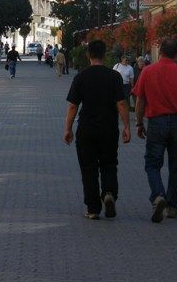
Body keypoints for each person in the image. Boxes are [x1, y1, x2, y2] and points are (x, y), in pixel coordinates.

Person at [64, 40, 131, 220]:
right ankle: (109, 192)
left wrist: (68, 129)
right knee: (109, 163)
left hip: (87, 128)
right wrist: (127, 126)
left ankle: (93, 208)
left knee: (88, 168)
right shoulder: (114, 76)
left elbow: (73, 106)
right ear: (104, 54)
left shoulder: (81, 76)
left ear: (88, 55)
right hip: (109, 128)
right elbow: (122, 103)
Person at [133, 38, 177, 222]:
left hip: (156, 123)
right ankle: (171, 205)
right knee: (175, 166)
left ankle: (158, 194)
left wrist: (139, 123)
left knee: (152, 163)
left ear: (160, 52)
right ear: (176, 53)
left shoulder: (147, 71)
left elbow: (140, 100)